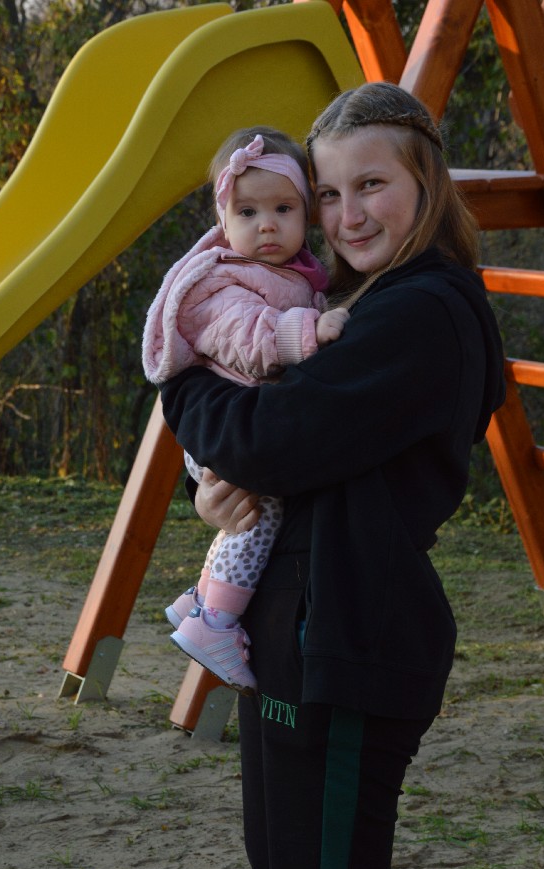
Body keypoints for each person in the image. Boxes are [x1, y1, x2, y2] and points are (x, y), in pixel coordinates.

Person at [161, 82, 506, 869]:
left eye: (372, 186)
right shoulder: (345, 306)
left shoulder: (421, 313)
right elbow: (268, 449)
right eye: (327, 192)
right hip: (288, 640)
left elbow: (270, 436)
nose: (346, 214)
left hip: (350, 644)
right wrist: (211, 483)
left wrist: (178, 383)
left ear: (424, 182)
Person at [142, 126, 349, 693]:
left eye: (284, 209)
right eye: (248, 211)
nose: (267, 225)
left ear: (306, 212)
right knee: (262, 515)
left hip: (243, 421)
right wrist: (312, 330)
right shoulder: (219, 279)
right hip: (222, 430)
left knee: (255, 512)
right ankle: (216, 621)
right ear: (223, 218)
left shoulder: (294, 272)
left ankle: (203, 596)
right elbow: (247, 339)